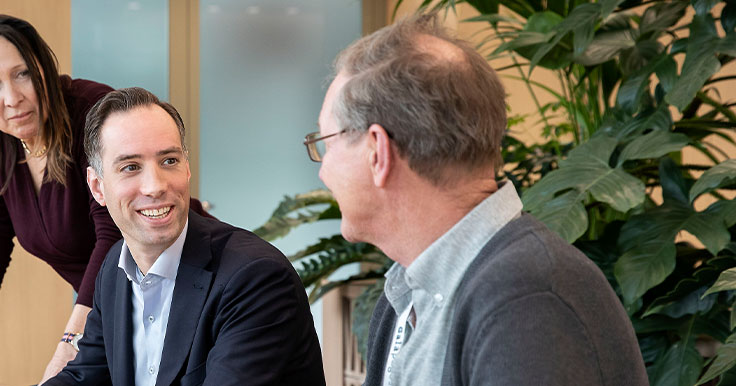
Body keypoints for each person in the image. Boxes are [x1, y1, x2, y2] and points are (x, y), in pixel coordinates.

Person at [307, 13, 648, 386]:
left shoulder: (527, 299)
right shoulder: (405, 296)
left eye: (326, 144)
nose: (323, 171)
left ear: (377, 152)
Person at [0, 15, 207, 386]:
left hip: (181, 281)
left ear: (44, 66)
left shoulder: (92, 111)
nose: (11, 98)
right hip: (110, 298)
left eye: (22, 73)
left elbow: (113, 236)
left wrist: (70, 345)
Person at [43, 87, 325, 386]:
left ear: (187, 167)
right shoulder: (114, 268)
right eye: (130, 167)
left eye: (169, 161)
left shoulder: (256, 278)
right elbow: (83, 377)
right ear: (98, 187)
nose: (155, 186)